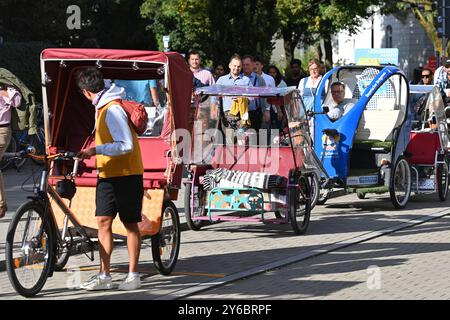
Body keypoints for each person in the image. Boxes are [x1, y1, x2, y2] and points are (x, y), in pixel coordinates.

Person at [76, 67, 144, 291]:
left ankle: (133, 275)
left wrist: (96, 150)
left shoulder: (112, 109)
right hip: (107, 174)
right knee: (103, 222)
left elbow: (126, 145)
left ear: (86, 92)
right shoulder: (104, 107)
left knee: (130, 224)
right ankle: (104, 275)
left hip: (127, 174)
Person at [0, 82, 22, 218]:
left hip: (1, 131)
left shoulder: (8, 89)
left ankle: (1, 204)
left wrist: (3, 92)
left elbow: (17, 102)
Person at [216, 54, 253, 130]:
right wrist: (214, 109)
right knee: (230, 140)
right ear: (229, 65)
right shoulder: (222, 80)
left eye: (239, 66)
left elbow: (253, 96)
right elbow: (214, 96)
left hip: (242, 114)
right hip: (227, 114)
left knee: (242, 139)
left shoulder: (246, 80)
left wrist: (242, 99)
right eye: (234, 66)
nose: (236, 68)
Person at [241, 54, 270, 131]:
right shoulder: (239, 79)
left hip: (256, 113)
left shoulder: (259, 79)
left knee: (255, 138)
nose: (245, 67)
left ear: (252, 64)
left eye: (247, 64)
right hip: (242, 113)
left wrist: (266, 111)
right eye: (243, 65)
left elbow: (264, 97)